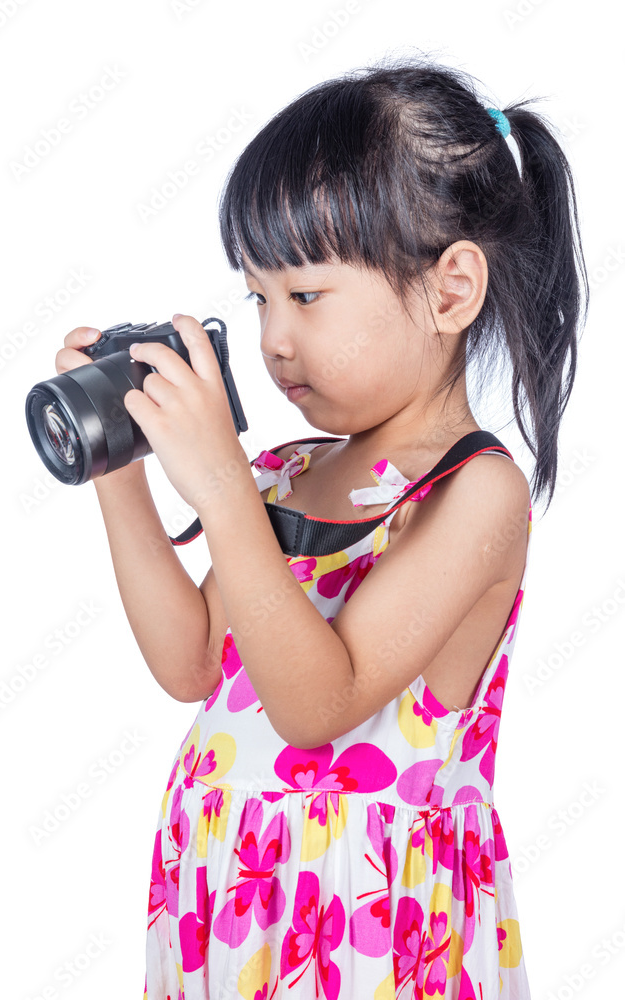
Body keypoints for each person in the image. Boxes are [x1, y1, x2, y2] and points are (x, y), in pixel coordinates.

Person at [55, 53, 587, 1000]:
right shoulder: (287, 470)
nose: (270, 340)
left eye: (304, 295)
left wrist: (219, 490)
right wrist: (119, 471)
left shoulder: (475, 493)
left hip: (367, 927)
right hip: (226, 895)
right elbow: (191, 664)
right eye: (257, 297)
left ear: (450, 290)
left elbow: (317, 705)